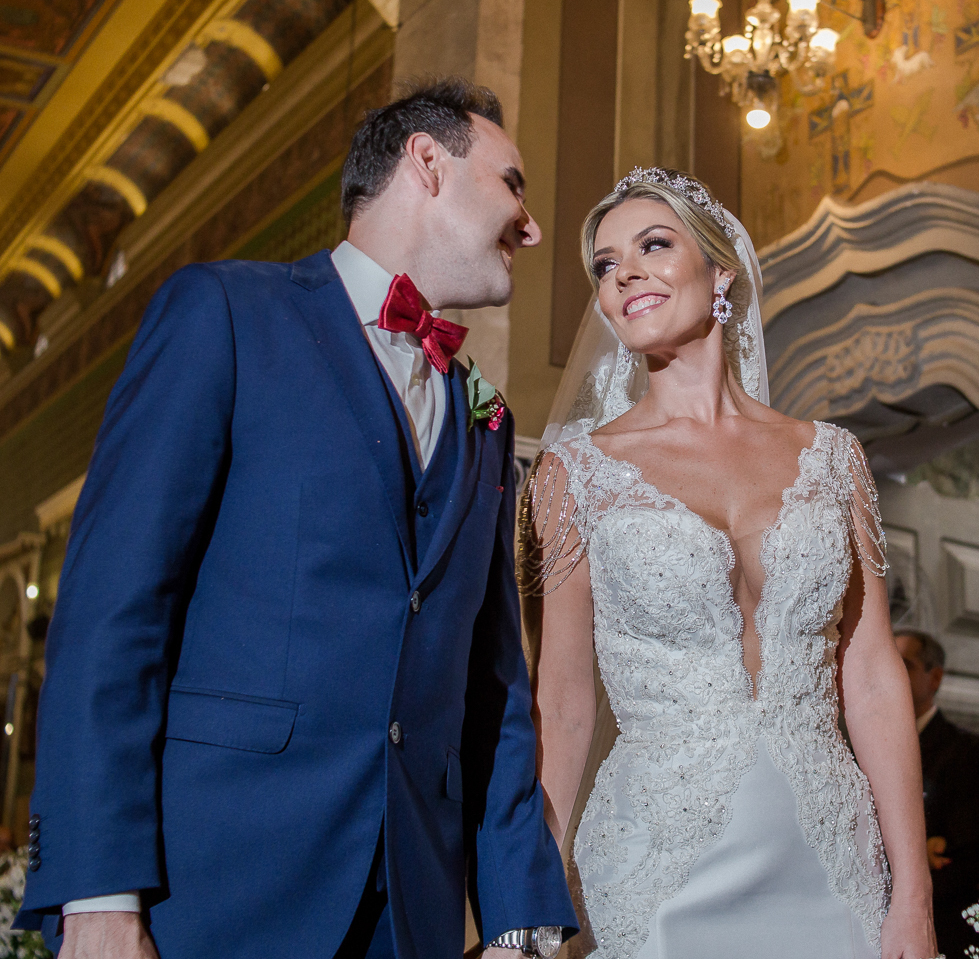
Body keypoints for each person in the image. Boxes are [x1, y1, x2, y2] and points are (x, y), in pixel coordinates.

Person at [14, 79, 577, 959]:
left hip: (411, 914)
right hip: (213, 893)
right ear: (427, 163)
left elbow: (490, 681)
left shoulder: (486, 418)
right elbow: (112, 614)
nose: (531, 226)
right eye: (513, 184)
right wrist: (98, 894)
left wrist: (516, 915)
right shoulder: (224, 313)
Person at [519, 168, 939, 959]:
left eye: (652, 245)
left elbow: (871, 677)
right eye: (604, 265)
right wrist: (524, 903)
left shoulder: (833, 458)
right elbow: (564, 700)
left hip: (830, 858)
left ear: (720, 272)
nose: (623, 274)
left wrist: (912, 894)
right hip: (657, 860)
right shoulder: (572, 475)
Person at [896, 629, 979, 958]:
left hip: (941, 925)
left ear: (935, 678)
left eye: (904, 664)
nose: (890, 671)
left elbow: (966, 849)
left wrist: (919, 849)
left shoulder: (967, 752)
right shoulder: (854, 750)